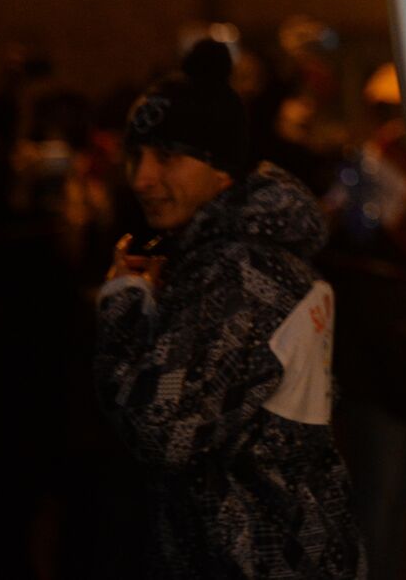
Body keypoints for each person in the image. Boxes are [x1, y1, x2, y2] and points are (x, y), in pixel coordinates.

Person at [93, 39, 365, 578]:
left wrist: (122, 307)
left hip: (252, 560)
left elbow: (163, 432)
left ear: (223, 171)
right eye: (136, 156)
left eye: (167, 156)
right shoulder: (233, 260)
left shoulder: (241, 274)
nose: (143, 177)